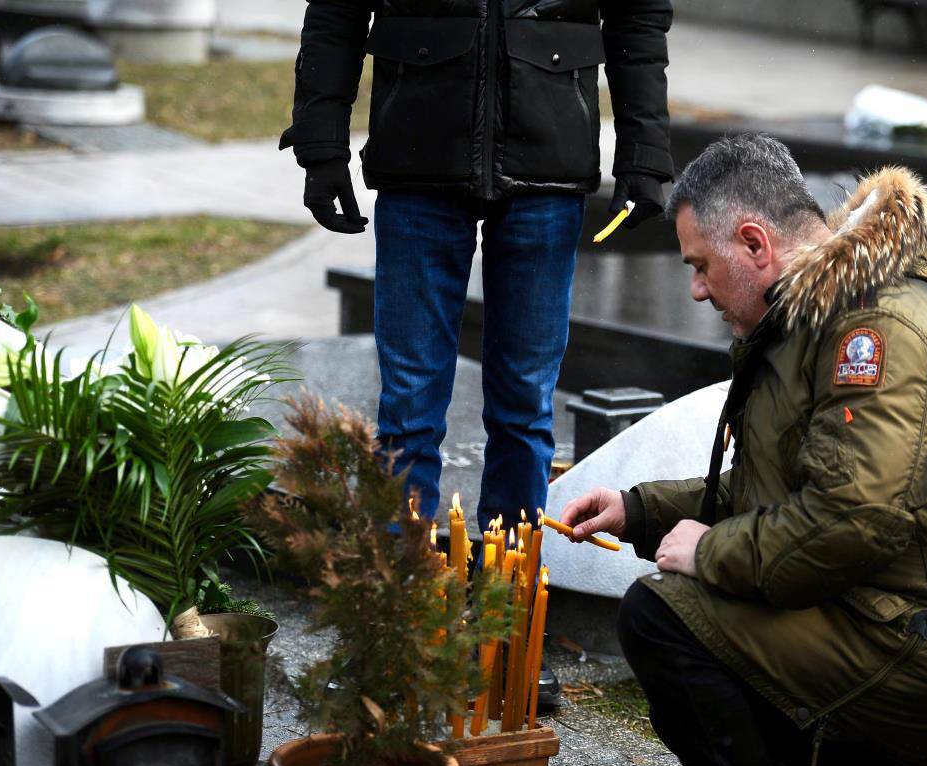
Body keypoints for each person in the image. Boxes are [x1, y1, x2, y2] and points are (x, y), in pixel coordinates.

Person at [560, 133, 927, 766]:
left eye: (701, 265)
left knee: (663, 619)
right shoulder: (824, 311)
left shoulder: (875, 330)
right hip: (891, 609)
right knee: (697, 625)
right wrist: (640, 510)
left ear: (756, 244)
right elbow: (782, 486)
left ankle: (918, 759)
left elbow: (855, 517)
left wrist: (713, 549)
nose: (697, 291)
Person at [279, 0, 674, 536]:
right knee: (408, 407)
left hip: (547, 167)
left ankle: (506, 595)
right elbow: (336, 10)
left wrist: (644, 153)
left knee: (526, 405)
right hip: (418, 159)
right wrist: (321, 144)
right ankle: (398, 598)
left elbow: (639, 13)